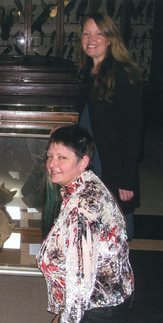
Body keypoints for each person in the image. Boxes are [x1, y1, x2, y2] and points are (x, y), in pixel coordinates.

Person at [37, 125, 135, 323]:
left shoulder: (83, 210)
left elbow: (81, 278)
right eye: (50, 156)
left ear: (83, 162)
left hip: (99, 308)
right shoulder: (85, 184)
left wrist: (66, 322)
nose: (52, 164)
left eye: (62, 157)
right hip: (106, 296)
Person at [77, 13, 143, 240]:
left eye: (98, 34)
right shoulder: (89, 73)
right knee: (98, 225)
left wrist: (128, 178)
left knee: (117, 228)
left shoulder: (122, 75)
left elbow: (135, 130)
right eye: (86, 33)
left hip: (113, 167)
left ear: (111, 38)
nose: (91, 39)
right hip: (95, 162)